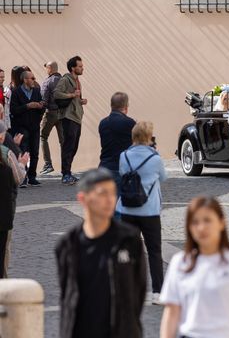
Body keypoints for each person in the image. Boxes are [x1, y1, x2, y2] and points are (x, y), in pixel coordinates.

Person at [55, 168, 147, 338]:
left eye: (113, 193)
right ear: (83, 198)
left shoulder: (129, 239)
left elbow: (139, 289)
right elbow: (67, 294)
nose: (110, 199)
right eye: (102, 193)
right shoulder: (68, 245)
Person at [159, 195, 229, 338]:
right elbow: (171, 312)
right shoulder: (180, 263)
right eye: (195, 222)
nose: (201, 227)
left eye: (207, 220)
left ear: (221, 223)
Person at [116, 121, 167, 304]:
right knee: (154, 251)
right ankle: (157, 292)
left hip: (127, 208)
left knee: (126, 250)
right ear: (149, 137)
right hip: (150, 210)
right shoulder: (155, 158)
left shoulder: (124, 156)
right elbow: (163, 177)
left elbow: (123, 174)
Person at [0, 121, 28, 278]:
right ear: (2, 137)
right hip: (4, 210)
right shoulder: (6, 154)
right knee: (3, 249)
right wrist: (22, 164)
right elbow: (18, 178)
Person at [54, 56, 87, 185]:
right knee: (68, 145)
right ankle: (65, 174)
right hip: (68, 116)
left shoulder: (77, 80)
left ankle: (68, 172)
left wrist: (81, 101)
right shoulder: (65, 79)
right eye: (80, 66)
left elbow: (76, 99)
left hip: (77, 116)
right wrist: (72, 95)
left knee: (74, 146)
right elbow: (56, 93)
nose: (82, 68)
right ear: (73, 68)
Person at [10, 70, 45, 188]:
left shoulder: (36, 91)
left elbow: (42, 108)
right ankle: (22, 177)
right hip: (21, 126)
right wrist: (27, 106)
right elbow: (13, 110)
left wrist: (40, 106)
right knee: (23, 151)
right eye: (32, 78)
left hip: (34, 126)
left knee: (35, 151)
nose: (34, 80)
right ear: (25, 80)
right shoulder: (16, 92)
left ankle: (32, 177)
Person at [98, 92, 135, 191]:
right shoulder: (130, 123)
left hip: (104, 167)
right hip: (121, 169)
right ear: (126, 107)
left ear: (111, 106)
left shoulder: (103, 123)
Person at [40, 61, 64, 175]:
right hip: (63, 113)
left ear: (50, 68)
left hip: (50, 113)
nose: (46, 70)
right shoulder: (65, 80)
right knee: (63, 141)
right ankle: (66, 166)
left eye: (46, 68)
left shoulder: (48, 81)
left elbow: (44, 100)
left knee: (43, 136)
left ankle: (48, 164)